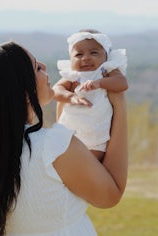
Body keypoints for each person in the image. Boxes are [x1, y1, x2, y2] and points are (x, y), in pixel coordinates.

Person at [0, 41, 128, 236]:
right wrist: (119, 106)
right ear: (19, 88)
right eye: (37, 67)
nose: (45, 67)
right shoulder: (52, 146)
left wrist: (66, 105)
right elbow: (110, 194)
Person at [53, 29, 128, 161]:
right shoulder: (73, 76)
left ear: (106, 56)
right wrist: (70, 97)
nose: (86, 58)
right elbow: (56, 90)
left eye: (94, 53)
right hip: (70, 132)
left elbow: (122, 83)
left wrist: (100, 83)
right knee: (67, 161)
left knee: (91, 162)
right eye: (79, 55)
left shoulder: (106, 70)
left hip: (96, 136)